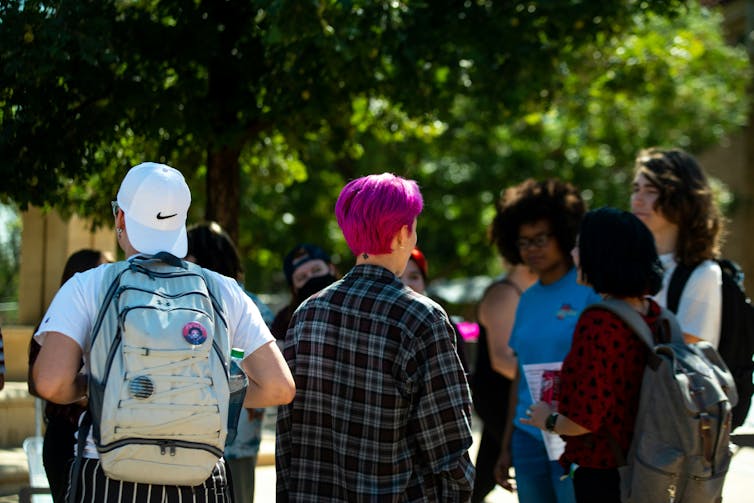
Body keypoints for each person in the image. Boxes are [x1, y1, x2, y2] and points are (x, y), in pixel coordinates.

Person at [31, 162, 295, 502]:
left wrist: (104, 387)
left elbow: (49, 382)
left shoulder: (88, 286)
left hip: (111, 474)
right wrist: (203, 392)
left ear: (121, 219)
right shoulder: (223, 290)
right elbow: (279, 387)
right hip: (198, 478)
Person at [276, 173, 475, 501]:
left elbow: (288, 434)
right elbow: (448, 444)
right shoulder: (421, 317)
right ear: (401, 234)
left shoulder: (307, 314)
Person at [521, 207, 665, 502]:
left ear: (600, 254)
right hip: (653, 464)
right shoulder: (658, 316)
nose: (573, 255)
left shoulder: (600, 321)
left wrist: (546, 419)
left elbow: (585, 419)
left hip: (607, 473)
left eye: (579, 246)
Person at [492, 178, 600, 503]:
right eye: (523, 242)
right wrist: (507, 444)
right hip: (527, 436)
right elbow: (520, 377)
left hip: (574, 432)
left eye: (540, 238)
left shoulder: (590, 290)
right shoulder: (527, 299)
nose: (532, 249)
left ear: (564, 234)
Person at [186, 221, 274, 503]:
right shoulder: (255, 306)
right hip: (241, 443)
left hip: (196, 438)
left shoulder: (192, 304)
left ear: (196, 260)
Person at [27, 249, 114, 503]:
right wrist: (87, 389)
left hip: (99, 438)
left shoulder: (111, 321)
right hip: (66, 436)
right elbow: (36, 384)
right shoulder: (55, 324)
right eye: (104, 270)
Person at [630, 147, 724, 346]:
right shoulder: (629, 264)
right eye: (636, 189)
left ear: (681, 199)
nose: (637, 199)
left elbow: (683, 353)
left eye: (651, 191)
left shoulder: (703, 274)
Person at [471, 260, 536, 500]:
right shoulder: (505, 294)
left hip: (511, 397)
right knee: (531, 468)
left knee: (484, 475)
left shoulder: (530, 291)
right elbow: (501, 360)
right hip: (499, 398)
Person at [399, 246, 469, 372]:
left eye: (414, 277)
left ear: (424, 281)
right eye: (398, 277)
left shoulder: (442, 321)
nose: (406, 284)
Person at [270, 243, 338, 339]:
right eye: (302, 277)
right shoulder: (284, 321)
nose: (311, 278)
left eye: (316, 270)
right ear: (294, 288)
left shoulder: (354, 303)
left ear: (331, 269)